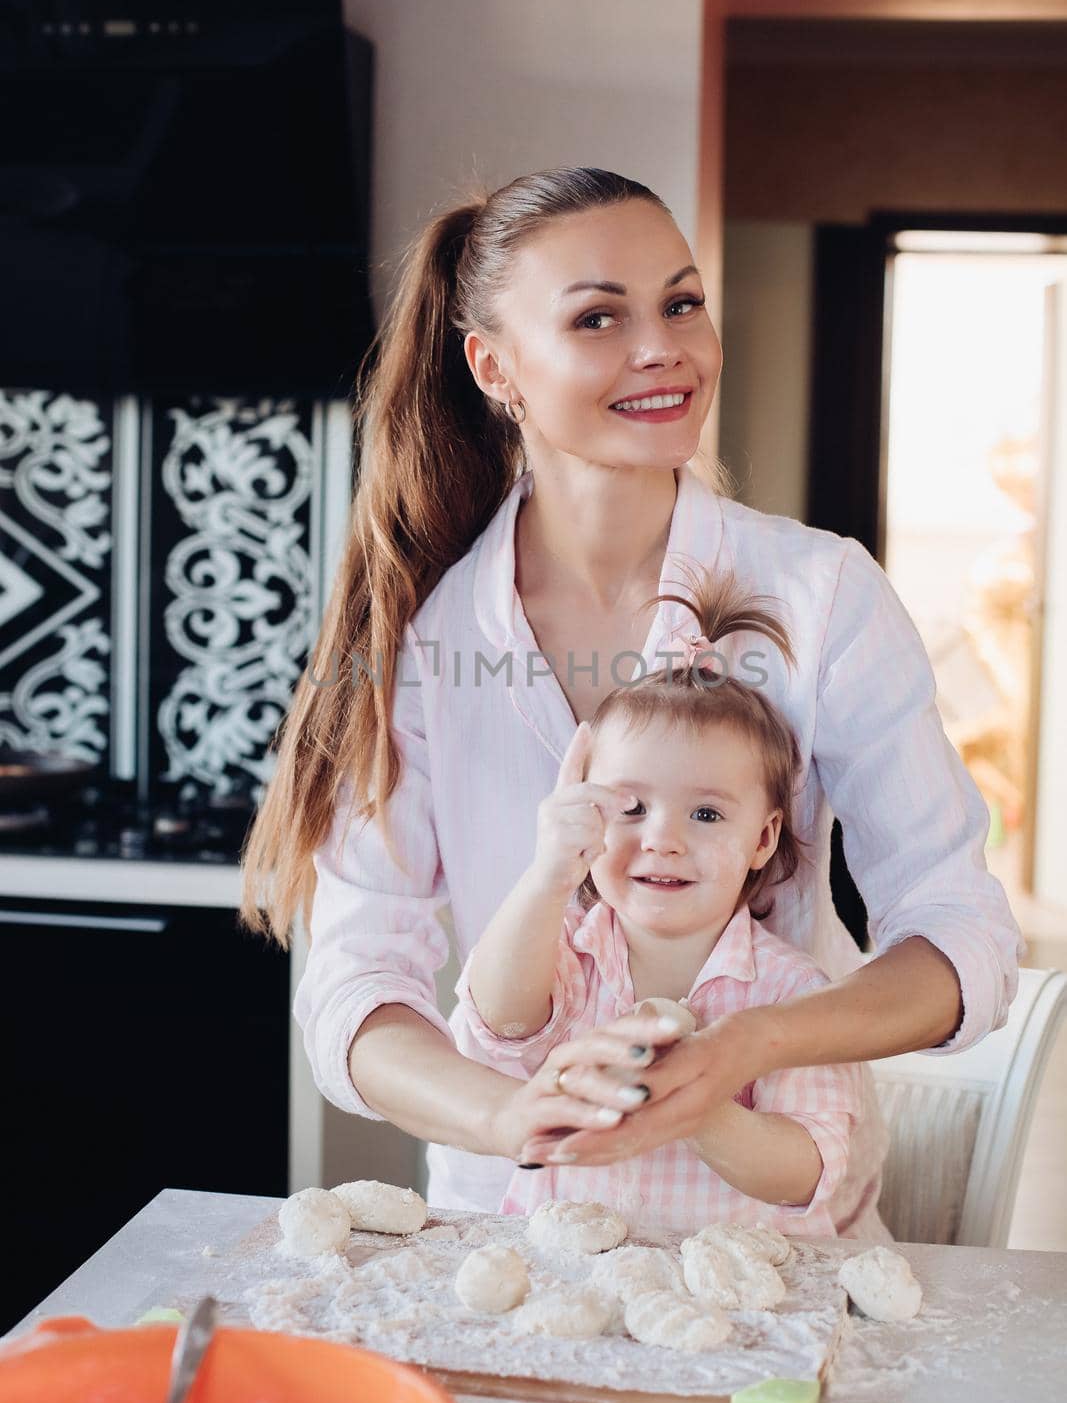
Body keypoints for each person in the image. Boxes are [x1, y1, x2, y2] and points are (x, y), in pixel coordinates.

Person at [240, 166, 1024, 1243]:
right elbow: (352, 987)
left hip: (765, 1240)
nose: (660, 347)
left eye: (680, 302)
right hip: (513, 1234)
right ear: (495, 366)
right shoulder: (420, 639)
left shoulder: (820, 594)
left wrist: (751, 1045)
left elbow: (959, 934)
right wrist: (507, 1111)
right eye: (598, 316)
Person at [457, 572, 866, 1236]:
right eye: (630, 806)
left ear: (761, 839)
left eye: (705, 813)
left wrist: (696, 1100)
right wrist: (546, 874)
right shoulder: (564, 949)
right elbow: (497, 1020)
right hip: (569, 1274)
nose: (663, 840)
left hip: (730, 1295)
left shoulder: (794, 994)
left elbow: (805, 1174)